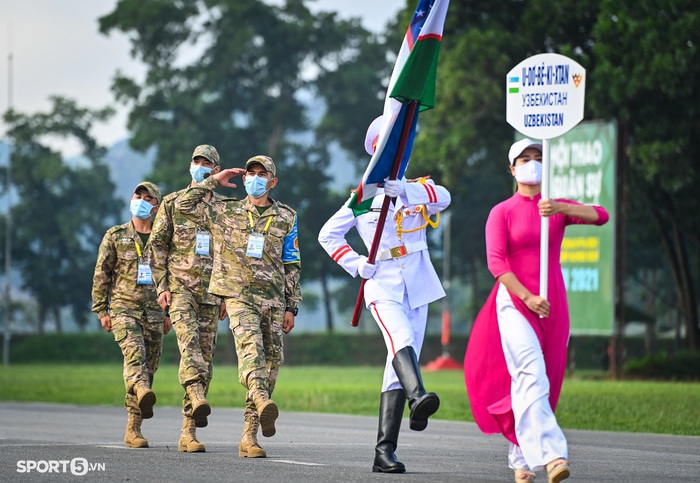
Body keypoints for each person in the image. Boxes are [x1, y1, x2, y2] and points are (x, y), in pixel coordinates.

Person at [463, 139, 610, 483]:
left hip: (553, 301)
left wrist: (558, 207)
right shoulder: (502, 211)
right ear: (512, 169)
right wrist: (526, 297)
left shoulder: (552, 209)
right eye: (524, 159)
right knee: (531, 372)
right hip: (515, 300)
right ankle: (554, 455)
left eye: (538, 157)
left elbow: (600, 216)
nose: (532, 163)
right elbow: (496, 262)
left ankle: (521, 458)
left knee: (542, 379)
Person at [317, 120, 451, 473]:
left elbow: (445, 198)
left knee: (399, 365)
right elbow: (328, 235)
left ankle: (384, 452)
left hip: (418, 285)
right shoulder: (362, 198)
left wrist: (405, 190)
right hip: (383, 286)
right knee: (401, 342)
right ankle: (418, 397)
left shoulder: (418, 188)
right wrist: (356, 263)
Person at [175, 155, 301, 459]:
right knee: (250, 351)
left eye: (262, 174)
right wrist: (212, 181)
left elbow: (292, 262)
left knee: (272, 364)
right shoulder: (224, 208)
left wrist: (291, 306)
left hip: (272, 298)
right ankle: (259, 397)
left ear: (273, 181)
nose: (254, 178)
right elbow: (183, 206)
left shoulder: (286, 216)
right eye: (250, 173)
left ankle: (250, 436)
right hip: (237, 296)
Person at [149, 145, 228, 453]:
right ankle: (195, 393)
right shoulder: (173, 203)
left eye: (207, 163)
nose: (201, 166)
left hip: (211, 294)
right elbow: (157, 248)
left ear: (216, 168)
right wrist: (161, 286)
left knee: (205, 359)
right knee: (189, 345)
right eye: (197, 162)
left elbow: (230, 253)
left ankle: (188, 432)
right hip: (180, 289)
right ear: (190, 166)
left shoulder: (225, 209)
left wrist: (226, 294)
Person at [91, 181, 171, 449]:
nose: (142, 200)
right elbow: (102, 274)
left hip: (156, 311)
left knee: (149, 369)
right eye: (138, 195)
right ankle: (134, 422)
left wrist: (171, 313)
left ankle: (135, 423)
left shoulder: (164, 239)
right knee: (134, 355)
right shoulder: (115, 235)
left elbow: (173, 278)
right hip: (124, 309)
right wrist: (102, 309)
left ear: (156, 206)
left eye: (148, 198)